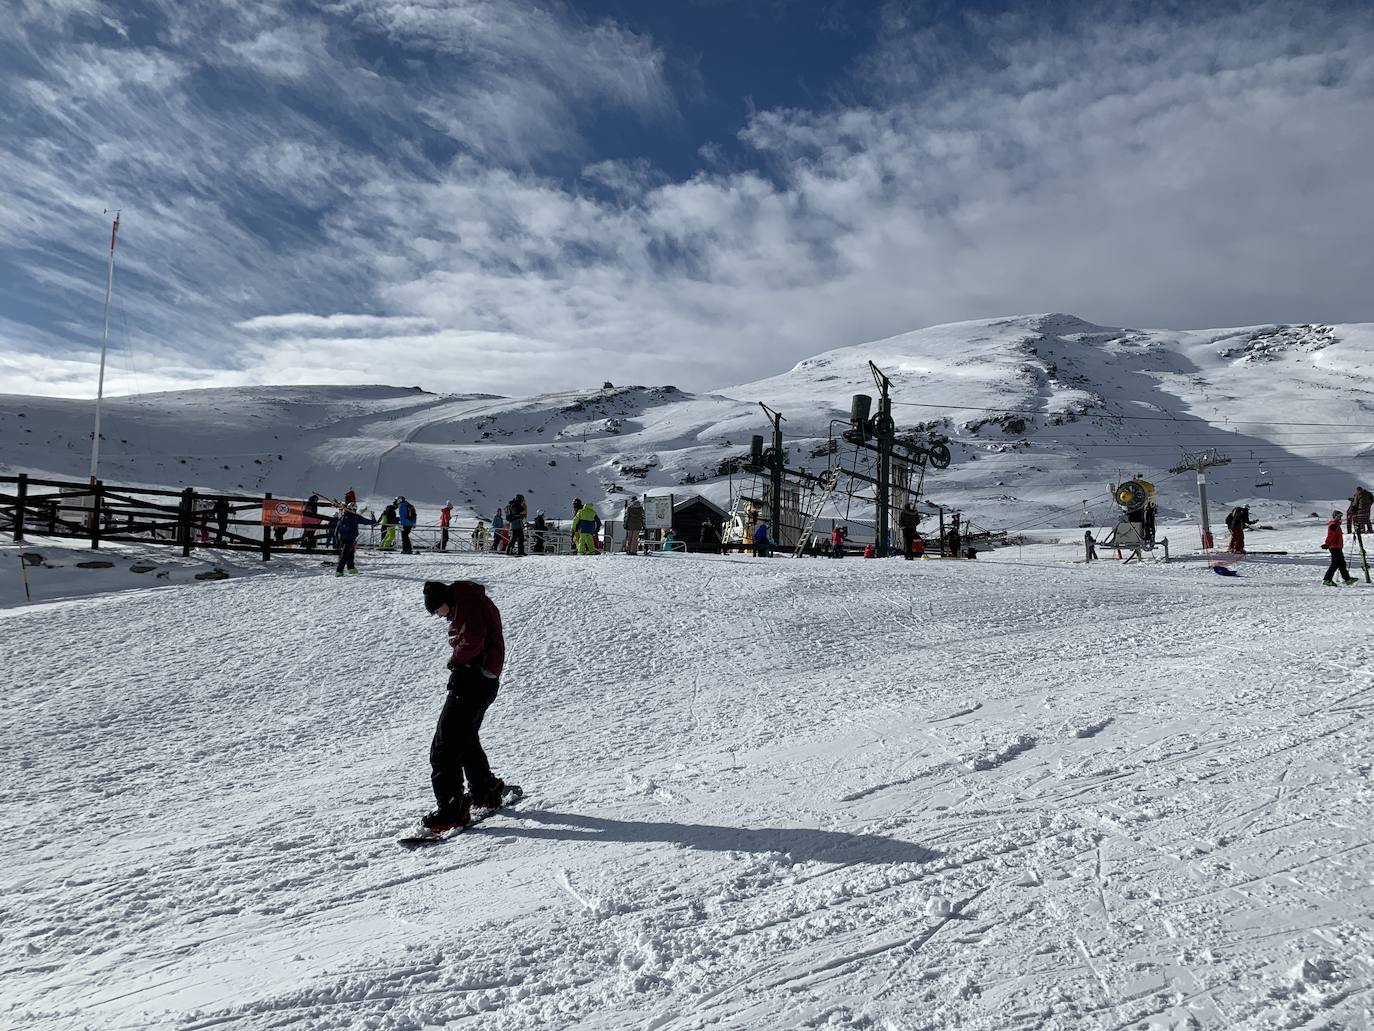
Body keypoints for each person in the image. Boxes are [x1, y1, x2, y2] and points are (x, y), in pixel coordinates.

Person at [420, 580, 509, 831]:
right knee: (465, 738)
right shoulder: (467, 601)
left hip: (473, 678)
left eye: (437, 610)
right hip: (482, 679)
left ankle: (452, 810)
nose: (438, 616)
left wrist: (456, 658)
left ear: (443, 601)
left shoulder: (467, 602)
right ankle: (485, 789)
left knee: (444, 746)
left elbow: (472, 639)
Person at [334, 504, 376, 576]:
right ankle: (339, 571)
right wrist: (373, 521)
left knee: (350, 553)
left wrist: (337, 540)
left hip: (343, 538)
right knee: (345, 555)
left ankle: (351, 568)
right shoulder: (355, 517)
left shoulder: (343, 516)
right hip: (350, 538)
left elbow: (337, 529)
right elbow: (366, 521)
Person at [1323, 510, 1358, 586]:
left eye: (1341, 516)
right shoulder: (1333, 525)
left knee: (1342, 563)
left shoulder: (1336, 524)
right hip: (1334, 547)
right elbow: (1330, 536)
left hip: (1337, 547)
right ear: (1335, 516)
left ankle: (1347, 579)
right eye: (1338, 516)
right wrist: (1327, 544)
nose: (1340, 517)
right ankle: (1327, 580)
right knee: (1335, 564)